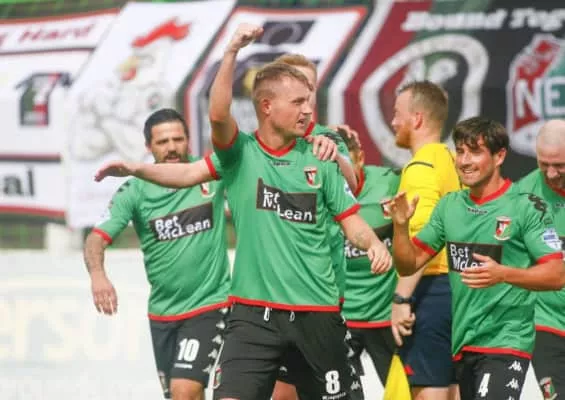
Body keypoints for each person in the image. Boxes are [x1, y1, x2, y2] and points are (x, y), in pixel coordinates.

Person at [94, 23, 391, 400]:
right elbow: (215, 124)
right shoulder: (241, 154)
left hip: (316, 313)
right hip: (253, 317)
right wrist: (232, 50)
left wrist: (372, 244)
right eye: (298, 102)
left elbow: (352, 222)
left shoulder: (322, 155)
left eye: (309, 100)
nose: (308, 110)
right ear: (267, 106)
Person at [389, 116, 565, 400]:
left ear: (499, 156)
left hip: (507, 342)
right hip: (465, 343)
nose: (464, 161)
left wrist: (503, 273)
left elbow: (557, 274)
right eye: (460, 152)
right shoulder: (449, 207)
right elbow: (408, 264)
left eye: (475, 152)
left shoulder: (526, 207)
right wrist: (400, 227)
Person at [84, 108, 231, 400]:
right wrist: (98, 275)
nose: (172, 147)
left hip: (210, 304)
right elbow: (96, 238)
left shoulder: (210, 174)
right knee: (181, 395)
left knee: (184, 390)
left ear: (189, 140)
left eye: (178, 139)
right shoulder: (135, 191)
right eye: (162, 142)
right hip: (163, 314)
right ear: (148, 146)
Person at [390, 80, 460, 400]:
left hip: (431, 291)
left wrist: (401, 299)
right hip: (461, 289)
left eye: (397, 113)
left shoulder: (420, 167)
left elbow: (423, 240)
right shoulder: (451, 160)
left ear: (416, 119)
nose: (393, 122)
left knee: (430, 390)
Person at [339, 133, 401, 392]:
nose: (341, 173)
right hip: (341, 319)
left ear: (361, 158)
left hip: (385, 317)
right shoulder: (319, 191)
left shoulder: (390, 183)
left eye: (346, 163)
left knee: (402, 394)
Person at [517, 119, 565, 399]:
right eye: (543, 164)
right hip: (545, 324)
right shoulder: (522, 196)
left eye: (559, 165)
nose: (551, 173)